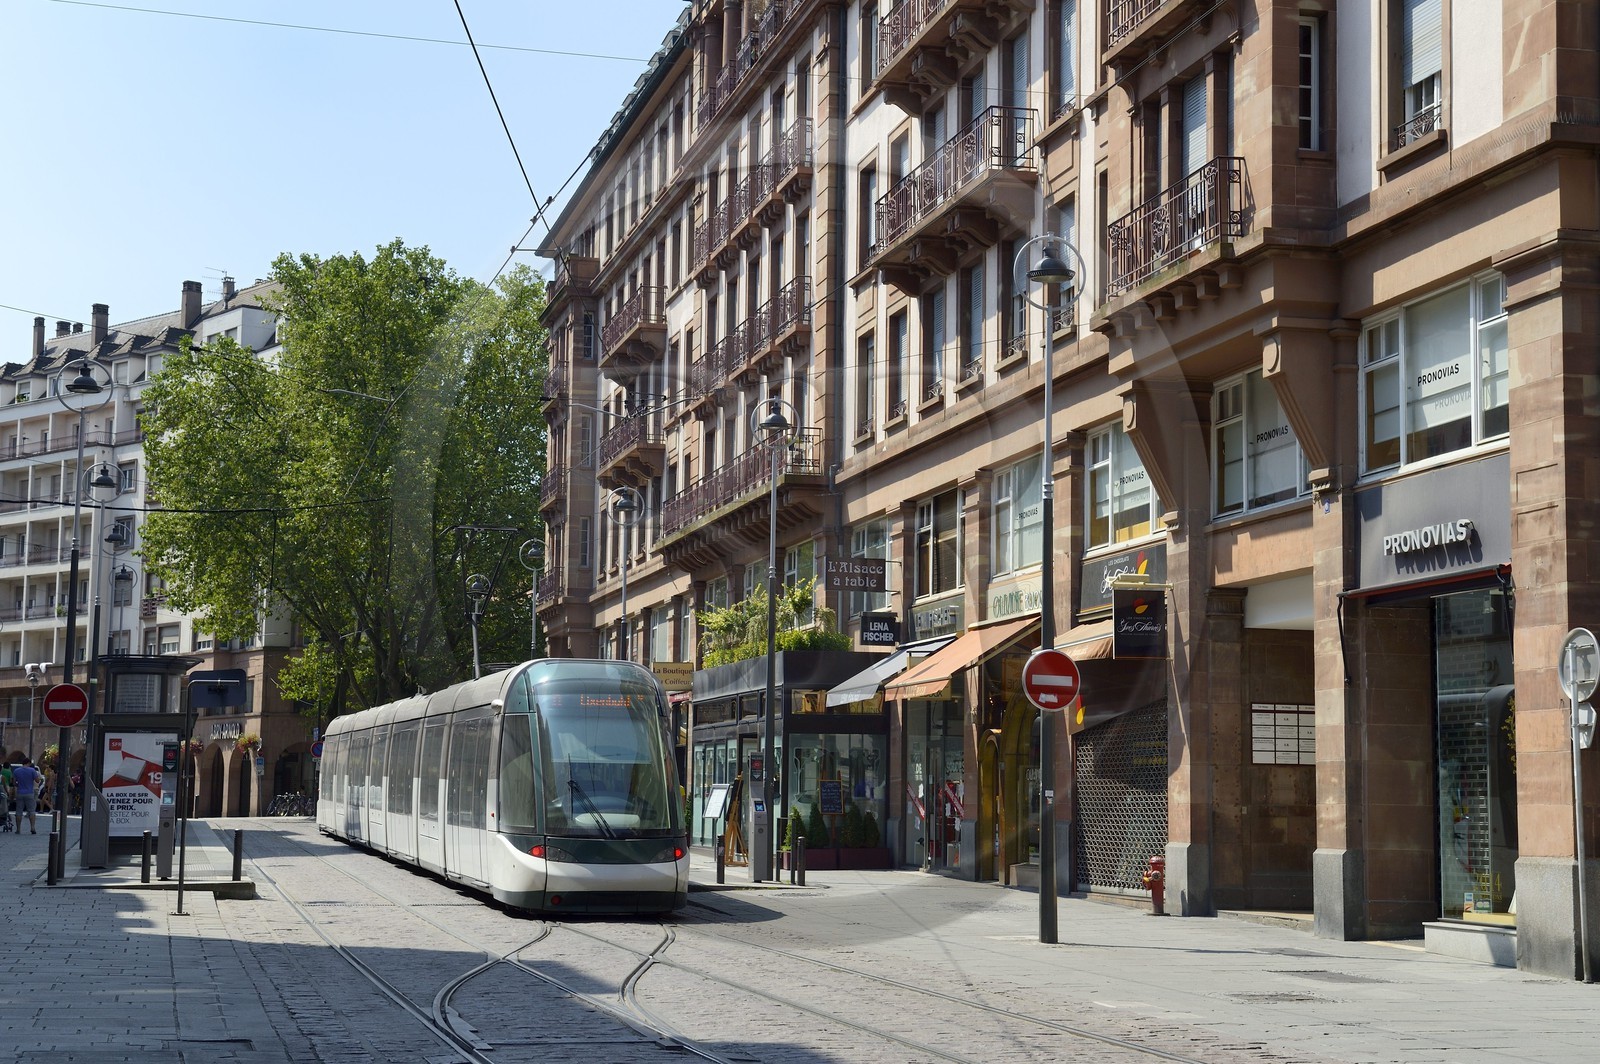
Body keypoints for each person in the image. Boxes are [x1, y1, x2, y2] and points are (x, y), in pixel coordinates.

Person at [11, 756, 43, 834]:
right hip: (29, 793)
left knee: (19, 811)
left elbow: (14, 782)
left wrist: (18, 785)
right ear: (28, 763)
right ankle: (32, 827)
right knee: (31, 811)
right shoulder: (32, 770)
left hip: (20, 793)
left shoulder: (16, 771)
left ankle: (18, 829)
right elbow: (37, 781)